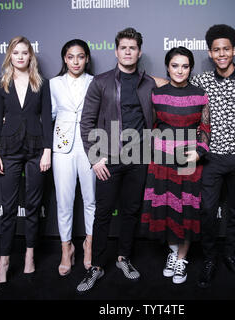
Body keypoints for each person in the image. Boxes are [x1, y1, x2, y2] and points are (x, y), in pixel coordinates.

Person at [77, 27, 157, 293]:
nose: (128, 52)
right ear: (116, 51)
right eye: (123, 47)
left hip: (139, 157)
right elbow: (87, 122)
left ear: (139, 52)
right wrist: (94, 158)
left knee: (131, 211)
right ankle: (97, 267)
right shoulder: (100, 82)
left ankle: (124, 258)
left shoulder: (149, 83)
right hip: (108, 158)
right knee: (102, 213)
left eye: (132, 48)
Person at [140, 47, 210, 284]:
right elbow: (151, 125)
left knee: (186, 210)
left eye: (185, 66)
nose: (180, 70)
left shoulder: (201, 94)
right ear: (167, 67)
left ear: (190, 68)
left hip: (189, 161)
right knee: (168, 209)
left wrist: (200, 151)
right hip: (162, 160)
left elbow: (206, 128)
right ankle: (172, 254)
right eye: (175, 65)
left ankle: (182, 259)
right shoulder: (156, 94)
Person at [189, 24, 235, 288]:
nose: (222, 54)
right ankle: (210, 258)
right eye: (216, 50)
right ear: (210, 53)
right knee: (207, 210)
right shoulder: (201, 81)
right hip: (211, 159)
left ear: (234, 50)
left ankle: (231, 254)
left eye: (226, 49)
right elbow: (176, 85)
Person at [0, 36, 52, 283]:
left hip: (37, 150)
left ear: (30, 56)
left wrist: (48, 150)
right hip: (9, 149)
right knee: (8, 209)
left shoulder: (41, 84)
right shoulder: (0, 83)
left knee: (34, 207)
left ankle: (29, 256)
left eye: (24, 53)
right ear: (10, 56)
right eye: (16, 53)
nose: (20, 57)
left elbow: (46, 118)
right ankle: (4, 259)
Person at [50, 39, 95, 276]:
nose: (75, 61)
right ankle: (66, 248)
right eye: (70, 56)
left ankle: (89, 244)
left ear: (87, 58)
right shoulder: (53, 84)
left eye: (80, 56)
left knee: (91, 200)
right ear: (64, 59)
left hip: (90, 147)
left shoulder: (96, 82)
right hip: (62, 147)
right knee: (64, 202)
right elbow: (46, 115)